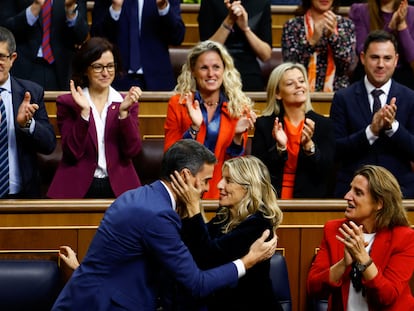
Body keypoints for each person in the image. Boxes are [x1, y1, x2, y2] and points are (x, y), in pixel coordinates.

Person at [51, 139, 278, 311]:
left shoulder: (140, 197)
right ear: (187, 176)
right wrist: (246, 262)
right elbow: (196, 280)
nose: (211, 187)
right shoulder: (159, 214)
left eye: (226, 180)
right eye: (207, 180)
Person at [168, 155, 284, 310]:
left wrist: (194, 207)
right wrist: (187, 208)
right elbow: (193, 249)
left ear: (248, 187)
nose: (219, 185)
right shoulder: (224, 218)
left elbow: (207, 258)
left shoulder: (258, 225)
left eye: (228, 180)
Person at [307, 164, 414, 310]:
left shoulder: (404, 237)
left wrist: (363, 259)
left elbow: (387, 296)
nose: (347, 196)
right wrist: (343, 263)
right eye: (350, 189)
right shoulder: (334, 230)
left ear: (379, 203)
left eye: (358, 193)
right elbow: (314, 288)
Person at [47, 37, 142, 198]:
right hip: (77, 185)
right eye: (98, 67)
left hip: (119, 186)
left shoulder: (126, 102)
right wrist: (84, 114)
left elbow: (132, 150)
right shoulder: (68, 103)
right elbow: (72, 153)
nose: (105, 73)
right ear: (85, 69)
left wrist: (124, 114)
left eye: (110, 66)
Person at [164, 40, 257, 199]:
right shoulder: (178, 104)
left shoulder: (239, 109)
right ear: (193, 71)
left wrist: (236, 137)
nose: (210, 74)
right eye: (204, 68)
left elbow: (235, 167)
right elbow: (171, 158)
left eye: (216, 67)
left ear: (224, 70)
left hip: (222, 191)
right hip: (185, 190)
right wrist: (194, 127)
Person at [330, 30, 414, 199]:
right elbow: (336, 150)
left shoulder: (410, 97)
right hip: (352, 191)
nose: (381, 64)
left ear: (396, 60)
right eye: (375, 57)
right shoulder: (343, 98)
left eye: (387, 58)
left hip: (399, 191)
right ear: (362, 58)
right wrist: (371, 132)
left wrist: (393, 128)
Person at [251, 62, 335, 198]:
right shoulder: (265, 125)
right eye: (290, 83)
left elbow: (328, 171)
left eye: (302, 81)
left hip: (310, 201)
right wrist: (280, 148)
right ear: (278, 93)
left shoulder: (323, 124)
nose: (299, 86)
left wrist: (310, 147)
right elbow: (258, 171)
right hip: (271, 198)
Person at [0, 26, 56, 199]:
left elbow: (49, 145)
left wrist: (28, 125)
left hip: (22, 197)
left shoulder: (31, 93)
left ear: (12, 58)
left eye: (1, 57)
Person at [90, 0, 185, 91]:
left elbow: (177, 38)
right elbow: (96, 38)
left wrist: (163, 8)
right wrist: (115, 9)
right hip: (116, 79)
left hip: (158, 80)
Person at [0, 0, 89, 91]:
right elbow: (4, 30)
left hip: (61, 68)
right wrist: (34, 8)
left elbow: (81, 36)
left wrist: (70, 10)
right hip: (23, 65)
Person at [281, 0, 356, 92]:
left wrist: (333, 38)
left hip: (338, 92)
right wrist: (312, 40)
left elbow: (346, 65)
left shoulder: (346, 25)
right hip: (301, 91)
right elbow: (291, 66)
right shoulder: (292, 25)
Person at [198, 0, 272, 91]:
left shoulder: (261, 3)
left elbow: (266, 55)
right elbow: (205, 50)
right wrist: (229, 21)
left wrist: (245, 29)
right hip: (216, 70)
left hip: (248, 71)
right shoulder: (210, 2)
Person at [349, 0, 414, 89]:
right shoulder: (359, 11)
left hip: (403, 76)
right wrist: (390, 27)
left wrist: (401, 25)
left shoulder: (411, 13)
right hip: (369, 73)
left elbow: (411, 57)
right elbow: (362, 50)